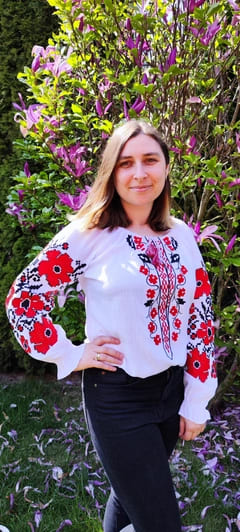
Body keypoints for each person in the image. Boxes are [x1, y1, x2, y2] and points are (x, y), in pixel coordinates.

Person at [6, 119, 217, 532]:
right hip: (117, 396)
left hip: (169, 392)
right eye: (126, 163)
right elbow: (24, 297)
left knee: (128, 496)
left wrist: (195, 398)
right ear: (112, 173)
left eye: (150, 160)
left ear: (166, 167)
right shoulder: (90, 235)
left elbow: (200, 315)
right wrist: (70, 353)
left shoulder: (181, 236)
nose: (140, 173)